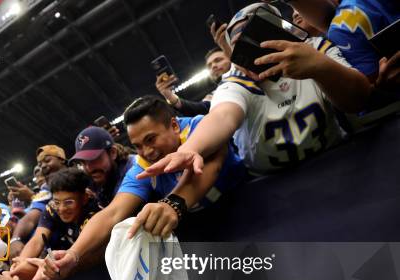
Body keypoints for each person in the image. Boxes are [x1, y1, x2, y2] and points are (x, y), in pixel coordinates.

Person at [11, 96, 245, 280]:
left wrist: (172, 203)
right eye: (139, 145)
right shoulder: (142, 166)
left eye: (151, 139)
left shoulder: (199, 128)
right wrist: (73, 254)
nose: (147, 151)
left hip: (250, 221)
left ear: (174, 126)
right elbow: (113, 213)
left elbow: (214, 154)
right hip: (208, 250)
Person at [139, 2, 371, 178]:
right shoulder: (236, 81)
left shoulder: (315, 50)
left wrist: (320, 68)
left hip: (339, 162)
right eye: (243, 52)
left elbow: (359, 99)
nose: (256, 58)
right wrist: (190, 148)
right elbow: (222, 116)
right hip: (270, 183)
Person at [11, 168, 101, 276]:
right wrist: (21, 263)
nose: (62, 208)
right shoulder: (52, 207)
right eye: (57, 202)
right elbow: (37, 240)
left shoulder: (94, 215)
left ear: (84, 199)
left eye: (68, 202)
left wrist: (50, 268)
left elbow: (87, 258)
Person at [10, 146, 67, 258]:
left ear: (61, 159)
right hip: (52, 253)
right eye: (40, 164)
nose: (43, 166)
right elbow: (31, 218)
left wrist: (31, 196)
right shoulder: (47, 189)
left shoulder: (81, 178)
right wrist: (15, 239)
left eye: (47, 161)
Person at [69, 126, 135, 207]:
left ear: (113, 153)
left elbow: (116, 213)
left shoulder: (134, 169)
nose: (89, 168)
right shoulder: (93, 179)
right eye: (83, 162)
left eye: (94, 159)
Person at [155, 48, 231, 116]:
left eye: (218, 60)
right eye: (209, 66)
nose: (213, 66)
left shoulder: (242, 72)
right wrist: (169, 95)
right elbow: (198, 109)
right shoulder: (215, 95)